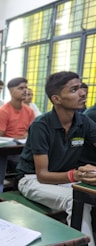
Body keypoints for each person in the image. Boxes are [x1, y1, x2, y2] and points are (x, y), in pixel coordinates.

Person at [16, 71, 96, 245]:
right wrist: (76, 175)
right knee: (75, 201)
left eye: (81, 87)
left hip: (64, 179)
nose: (82, 93)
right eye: (74, 89)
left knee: (87, 197)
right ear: (56, 99)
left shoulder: (83, 122)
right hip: (32, 180)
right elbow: (42, 175)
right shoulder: (41, 125)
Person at [0, 77, 35, 200]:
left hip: (23, 148)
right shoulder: (2, 112)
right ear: (11, 91)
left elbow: (31, 132)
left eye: (26, 87)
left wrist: (24, 136)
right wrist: (19, 137)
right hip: (7, 149)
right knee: (0, 158)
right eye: (21, 88)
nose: (25, 91)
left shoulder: (29, 111)